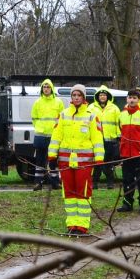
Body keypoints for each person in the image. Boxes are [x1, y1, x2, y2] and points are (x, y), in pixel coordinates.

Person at [47, 84, 104, 235]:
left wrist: (99, 160)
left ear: (84, 97)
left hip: (85, 162)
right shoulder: (64, 115)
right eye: (74, 95)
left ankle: (82, 226)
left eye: (79, 95)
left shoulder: (92, 116)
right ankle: (72, 225)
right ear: (71, 97)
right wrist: (52, 156)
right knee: (69, 193)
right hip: (65, 162)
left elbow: (97, 139)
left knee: (83, 192)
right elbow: (56, 137)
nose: (76, 98)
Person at [117, 92, 140, 213]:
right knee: (127, 179)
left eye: (134, 98)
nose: (132, 100)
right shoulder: (121, 115)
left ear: (138, 100)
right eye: (130, 98)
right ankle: (127, 203)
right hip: (126, 153)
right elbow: (120, 131)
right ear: (126, 99)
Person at [30, 78, 64, 191]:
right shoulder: (37, 102)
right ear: (41, 89)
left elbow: (62, 119)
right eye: (44, 87)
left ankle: (55, 183)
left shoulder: (58, 102)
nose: (46, 89)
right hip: (40, 135)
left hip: (54, 136)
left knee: (53, 160)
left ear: (52, 88)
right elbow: (34, 118)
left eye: (48, 87)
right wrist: (39, 128)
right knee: (39, 160)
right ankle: (38, 183)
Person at [88, 85, 120, 188]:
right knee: (97, 163)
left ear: (108, 96)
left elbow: (119, 124)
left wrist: (119, 138)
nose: (102, 97)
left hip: (110, 140)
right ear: (97, 96)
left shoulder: (114, 108)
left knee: (109, 163)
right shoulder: (91, 107)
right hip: (96, 141)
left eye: (104, 95)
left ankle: (110, 183)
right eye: (101, 95)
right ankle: (94, 183)